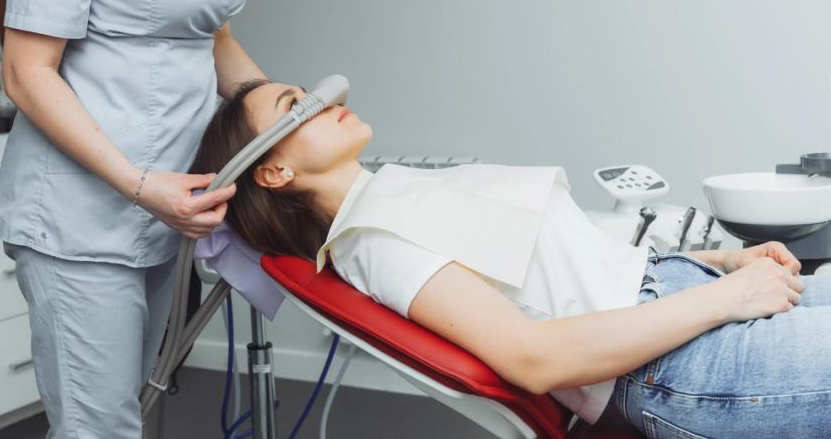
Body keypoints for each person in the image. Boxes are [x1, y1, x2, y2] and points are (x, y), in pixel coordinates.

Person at [189, 79, 831, 438]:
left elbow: (568, 273)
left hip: (680, 309)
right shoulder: (372, 240)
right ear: (272, 170)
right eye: (293, 106)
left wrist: (714, 265)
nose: (323, 98)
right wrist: (724, 299)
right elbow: (535, 357)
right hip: (678, 365)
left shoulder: (390, 195)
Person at [0, 0, 273, 436]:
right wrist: (139, 184)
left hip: (166, 205)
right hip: (83, 216)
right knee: (98, 427)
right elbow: (27, 72)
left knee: (131, 413)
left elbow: (215, 38)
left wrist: (284, 118)